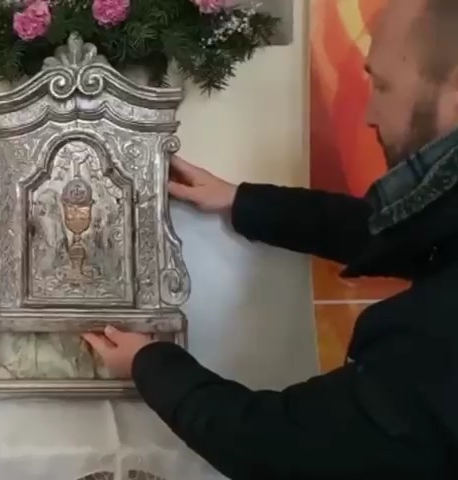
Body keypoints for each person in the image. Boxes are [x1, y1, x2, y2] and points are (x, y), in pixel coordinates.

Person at [82, 0, 458, 478]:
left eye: (382, 85)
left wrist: (149, 363)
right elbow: (400, 226)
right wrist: (242, 201)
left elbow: (280, 446)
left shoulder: (433, 334)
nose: (368, 112)